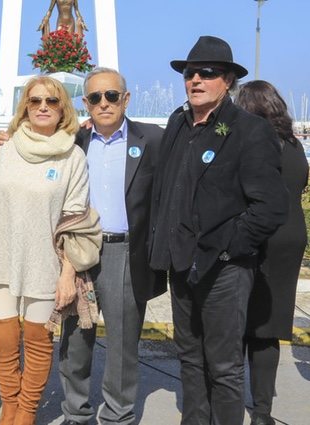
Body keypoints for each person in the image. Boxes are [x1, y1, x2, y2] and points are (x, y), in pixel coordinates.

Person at [0, 68, 167, 425]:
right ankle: (75, 412)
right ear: (85, 103)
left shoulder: (151, 140)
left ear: (125, 99)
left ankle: (117, 415)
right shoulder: (75, 141)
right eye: (96, 97)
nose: (104, 103)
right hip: (75, 252)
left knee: (120, 344)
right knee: (74, 341)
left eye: (111, 96)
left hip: (122, 251)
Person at [148, 36, 287, 425]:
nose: (195, 80)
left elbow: (271, 207)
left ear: (227, 80)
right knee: (190, 359)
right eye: (190, 73)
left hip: (224, 269)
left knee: (224, 368)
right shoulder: (178, 123)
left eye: (206, 73)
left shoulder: (249, 130)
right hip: (180, 264)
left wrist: (227, 248)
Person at [0, 75, 101, 425]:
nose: (43, 107)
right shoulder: (3, 151)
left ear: (63, 107)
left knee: (37, 341)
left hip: (45, 263)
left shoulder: (73, 156)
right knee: (2, 341)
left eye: (51, 101)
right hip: (2, 259)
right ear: (26, 107)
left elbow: (74, 218)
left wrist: (68, 272)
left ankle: (27, 412)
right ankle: (9, 406)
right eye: (35, 101)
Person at [235, 80, 308, 425]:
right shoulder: (294, 146)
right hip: (292, 235)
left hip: (260, 235)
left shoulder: (257, 144)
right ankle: (262, 411)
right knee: (269, 324)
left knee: (238, 321)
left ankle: (230, 402)